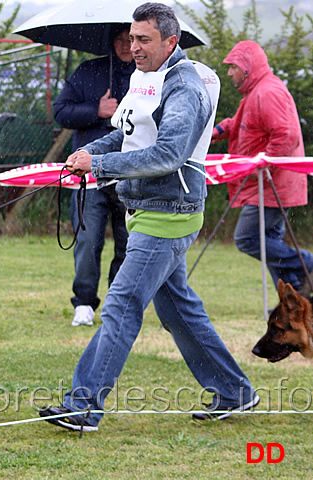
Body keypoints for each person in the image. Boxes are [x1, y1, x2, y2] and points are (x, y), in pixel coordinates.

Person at [39, 2, 258, 431]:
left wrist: (99, 168)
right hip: (146, 208)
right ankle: (234, 391)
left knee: (120, 305)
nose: (133, 47)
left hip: (168, 213)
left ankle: (83, 407)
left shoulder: (184, 88)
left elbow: (170, 154)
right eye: (132, 38)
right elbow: (129, 133)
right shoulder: (148, 77)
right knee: (178, 310)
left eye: (143, 39)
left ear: (170, 42)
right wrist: (92, 151)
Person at [211, 40, 313, 295]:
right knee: (269, 244)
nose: (229, 73)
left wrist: (263, 165)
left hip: (270, 183)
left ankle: (309, 265)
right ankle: (296, 296)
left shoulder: (267, 92)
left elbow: (285, 136)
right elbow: (241, 123)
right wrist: (215, 133)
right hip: (269, 183)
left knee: (247, 239)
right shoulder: (257, 92)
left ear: (247, 68)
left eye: (233, 67)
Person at [54, 26, 135, 327]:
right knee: (87, 240)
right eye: (121, 40)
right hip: (89, 178)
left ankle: (118, 302)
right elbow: (61, 112)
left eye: (133, 39)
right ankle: (84, 302)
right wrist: (96, 110)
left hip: (130, 173)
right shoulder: (88, 71)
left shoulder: (148, 78)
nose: (127, 46)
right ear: (111, 41)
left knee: (128, 243)